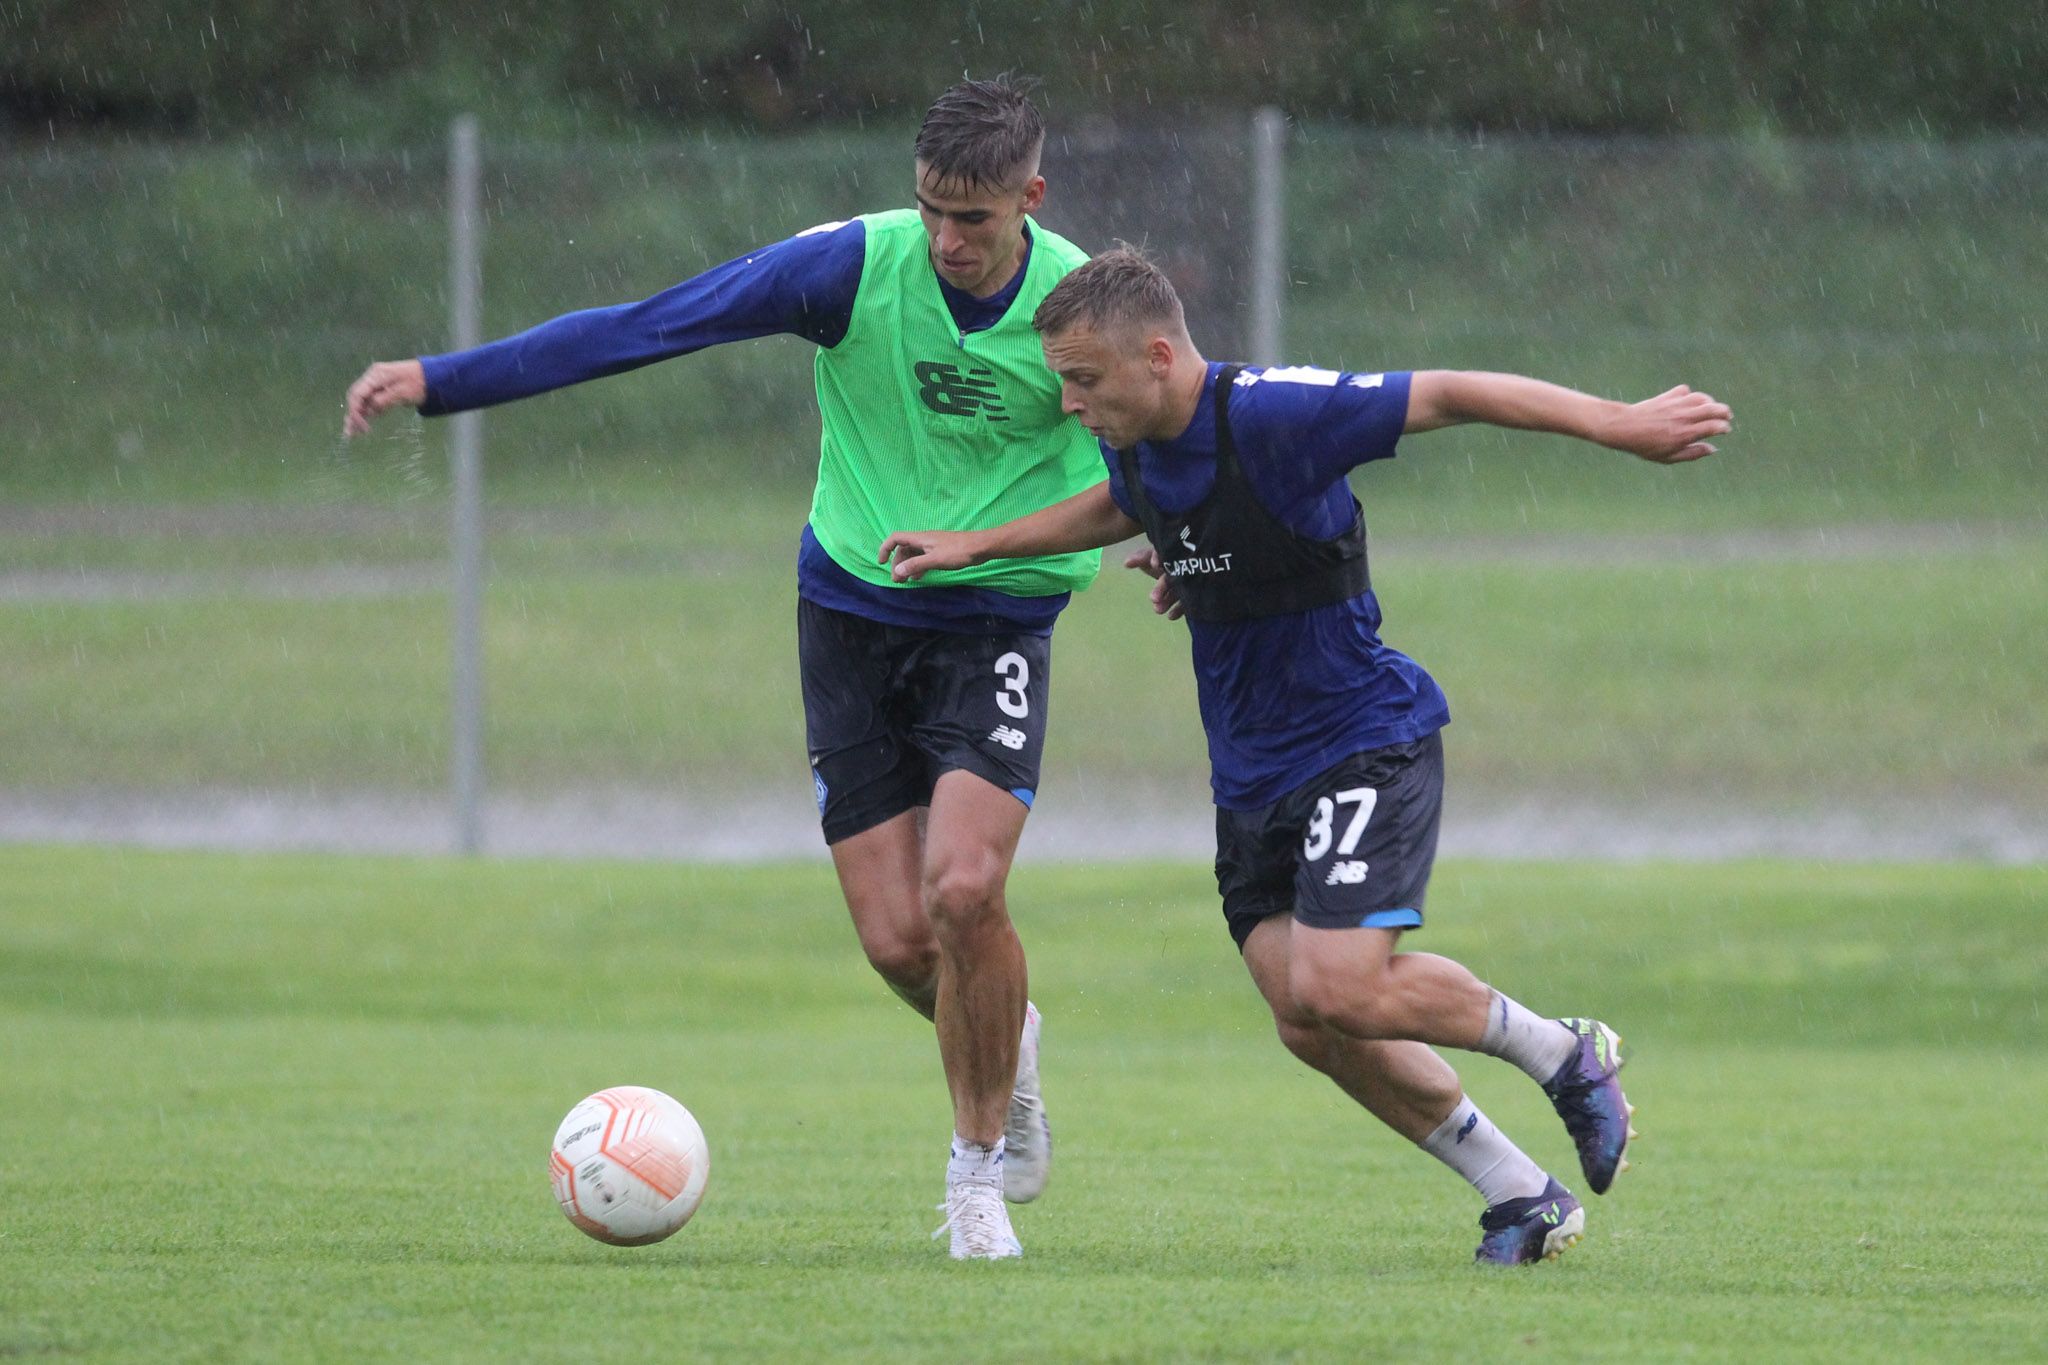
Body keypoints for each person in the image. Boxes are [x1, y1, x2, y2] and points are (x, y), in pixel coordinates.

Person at [343, 77, 1102, 1261]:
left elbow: (1173, 424)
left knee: (964, 893)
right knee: (903, 945)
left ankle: (973, 1181)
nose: (947, 242)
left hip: (995, 621)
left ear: (1031, 199)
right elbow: (651, 323)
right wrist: (447, 380)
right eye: (931, 214)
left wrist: (1186, 541)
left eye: (975, 219)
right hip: (847, 612)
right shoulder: (851, 268)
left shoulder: (1079, 298)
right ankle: (1013, 1044)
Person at [880, 247, 1732, 1265]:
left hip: (1359, 737)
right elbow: (1131, 506)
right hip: (1249, 775)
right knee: (1304, 1017)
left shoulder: (1275, 412)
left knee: (1338, 984)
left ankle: (1561, 1051)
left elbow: (1451, 393)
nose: (1068, 405)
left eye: (1083, 379)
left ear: (1157, 356)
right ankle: (1518, 1194)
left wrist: (1616, 423)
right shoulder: (1136, 438)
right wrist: (990, 545)